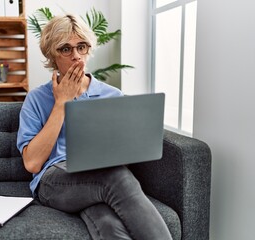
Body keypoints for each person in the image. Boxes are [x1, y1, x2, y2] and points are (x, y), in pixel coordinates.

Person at [17, 14, 172, 240]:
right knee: (116, 177)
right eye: (66, 49)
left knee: (108, 224)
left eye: (82, 47)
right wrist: (61, 103)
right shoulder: (37, 98)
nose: (76, 56)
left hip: (95, 178)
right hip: (54, 181)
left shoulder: (113, 96)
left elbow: (126, 151)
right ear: (52, 55)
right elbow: (32, 163)